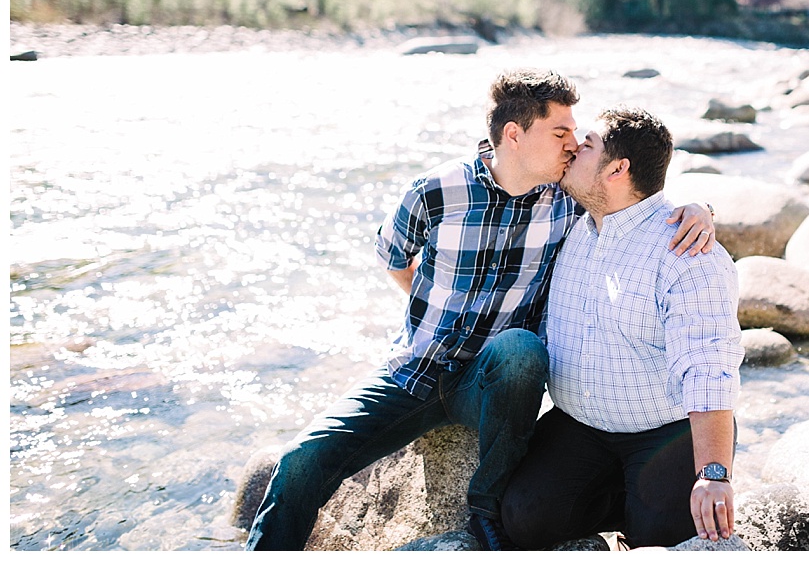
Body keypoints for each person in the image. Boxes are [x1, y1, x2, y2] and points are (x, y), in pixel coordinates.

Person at [245, 70, 715, 551]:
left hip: (495, 382)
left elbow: (633, 198)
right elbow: (392, 255)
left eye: (575, 134)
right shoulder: (435, 190)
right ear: (514, 134)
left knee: (520, 349)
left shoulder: (567, 200)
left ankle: (486, 507)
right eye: (560, 133)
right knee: (300, 461)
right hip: (414, 373)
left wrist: (700, 209)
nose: (573, 145)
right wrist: (426, 315)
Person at [500, 106, 743, 550]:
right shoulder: (570, 219)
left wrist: (712, 475)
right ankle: (624, 500)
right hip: (581, 427)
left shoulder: (686, 251)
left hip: (666, 434)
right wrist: (705, 205)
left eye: (586, 145)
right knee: (524, 520)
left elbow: (710, 367)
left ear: (617, 168)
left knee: (663, 541)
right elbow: (504, 164)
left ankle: (645, 507)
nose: (571, 150)